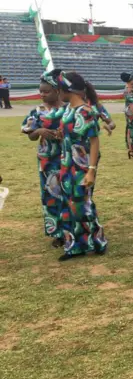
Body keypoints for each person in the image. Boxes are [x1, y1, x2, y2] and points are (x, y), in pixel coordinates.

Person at [56, 71, 108, 261]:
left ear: (68, 89)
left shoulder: (86, 111)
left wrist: (91, 171)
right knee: (68, 204)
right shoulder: (68, 109)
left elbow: (94, 142)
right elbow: (70, 133)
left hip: (82, 165)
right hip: (66, 163)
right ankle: (75, 246)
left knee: (82, 204)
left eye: (60, 89)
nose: (58, 92)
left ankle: (98, 240)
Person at [21, 70, 65, 248]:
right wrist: (39, 131)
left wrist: (64, 134)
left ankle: (71, 229)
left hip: (67, 157)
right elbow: (30, 135)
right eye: (40, 91)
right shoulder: (37, 111)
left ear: (57, 90)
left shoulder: (68, 110)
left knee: (67, 193)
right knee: (51, 195)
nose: (42, 94)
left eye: (46, 91)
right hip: (47, 161)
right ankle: (57, 232)